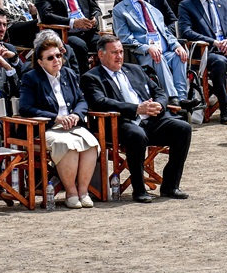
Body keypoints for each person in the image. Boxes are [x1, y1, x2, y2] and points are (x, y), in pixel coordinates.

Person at [81, 35, 193, 203]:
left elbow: (160, 92)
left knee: (183, 128)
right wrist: (136, 109)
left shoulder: (135, 69)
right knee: (137, 135)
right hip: (121, 123)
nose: (119, 56)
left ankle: (170, 186)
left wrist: (159, 105)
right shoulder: (92, 77)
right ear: (101, 55)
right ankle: (139, 190)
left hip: (151, 119)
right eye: (114, 53)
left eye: (120, 52)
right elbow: (100, 102)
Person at [18, 30, 100, 209]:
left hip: (71, 124)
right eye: (50, 58)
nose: (56, 60)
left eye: (58, 55)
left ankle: (83, 191)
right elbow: (25, 108)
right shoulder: (31, 78)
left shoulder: (68, 74)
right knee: (67, 145)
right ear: (40, 62)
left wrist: (76, 115)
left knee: (91, 143)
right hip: (45, 128)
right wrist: (56, 118)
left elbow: (81, 100)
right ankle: (71, 193)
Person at [112, 0, 191, 105]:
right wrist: (147, 47)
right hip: (143, 55)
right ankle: (172, 99)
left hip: (165, 51)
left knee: (179, 55)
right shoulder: (120, 10)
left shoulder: (153, 9)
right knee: (158, 57)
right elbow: (124, 38)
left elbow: (166, 33)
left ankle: (182, 97)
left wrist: (176, 45)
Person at [34, 0, 100, 72]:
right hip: (66, 33)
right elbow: (46, 16)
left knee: (107, 43)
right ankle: (84, 81)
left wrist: (94, 18)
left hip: (88, 30)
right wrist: (73, 23)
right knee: (79, 45)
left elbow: (95, 8)